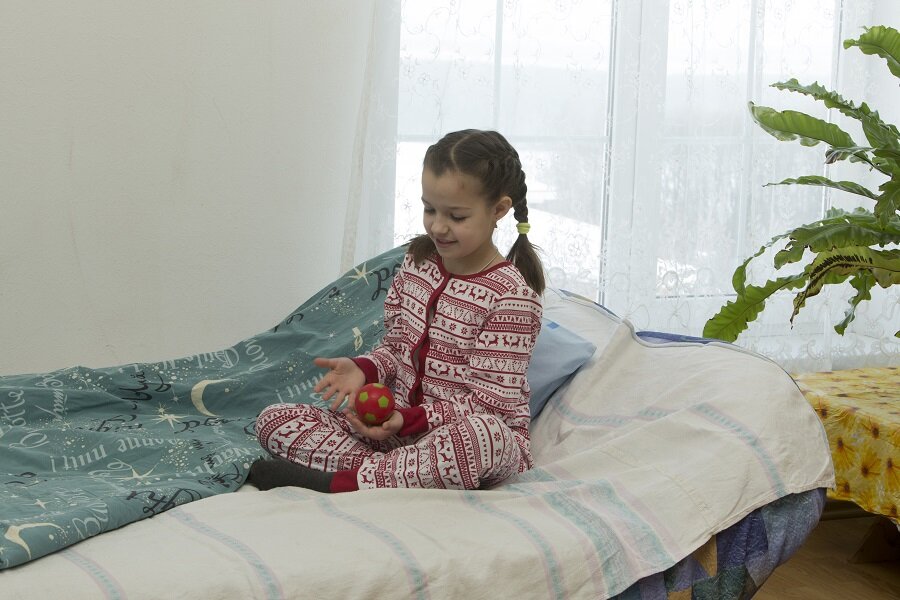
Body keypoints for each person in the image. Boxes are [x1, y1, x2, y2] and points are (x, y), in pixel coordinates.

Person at [250, 129, 545, 493]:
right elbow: (396, 347)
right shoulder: (417, 263)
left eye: (456, 216)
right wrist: (365, 368)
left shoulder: (511, 297)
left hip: (465, 441)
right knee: (274, 420)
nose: (438, 226)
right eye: (429, 209)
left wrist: (408, 420)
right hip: (394, 434)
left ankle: (344, 482)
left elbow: (489, 406)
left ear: (498, 209)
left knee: (485, 436)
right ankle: (396, 474)